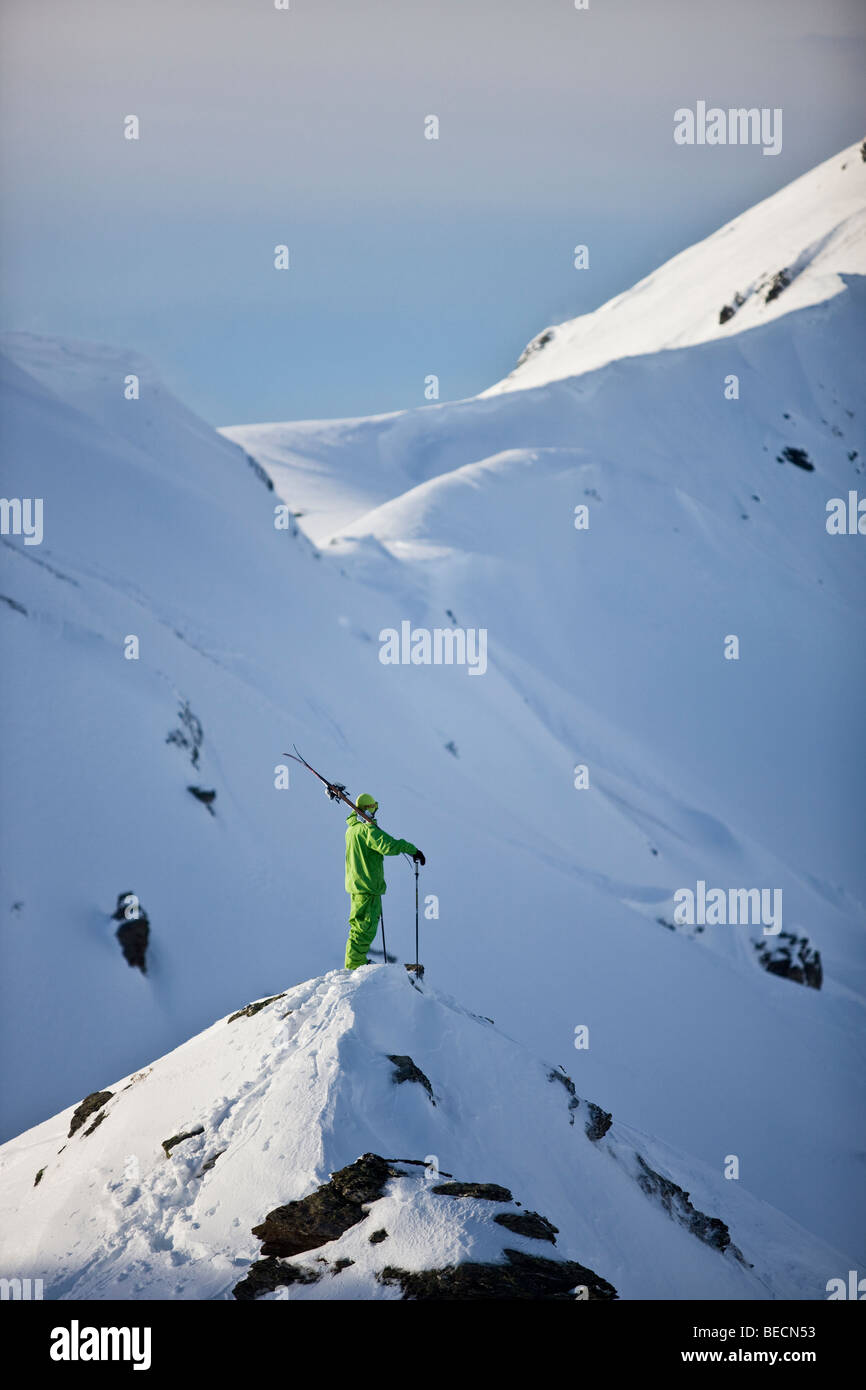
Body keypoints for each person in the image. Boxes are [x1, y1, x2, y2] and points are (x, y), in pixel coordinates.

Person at [344, 794, 425, 970]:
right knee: (364, 929)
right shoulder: (367, 831)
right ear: (369, 809)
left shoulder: (352, 829)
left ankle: (356, 962)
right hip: (368, 888)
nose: (376, 812)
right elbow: (388, 846)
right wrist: (412, 850)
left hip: (357, 886)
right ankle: (354, 965)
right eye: (374, 808)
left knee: (359, 927)